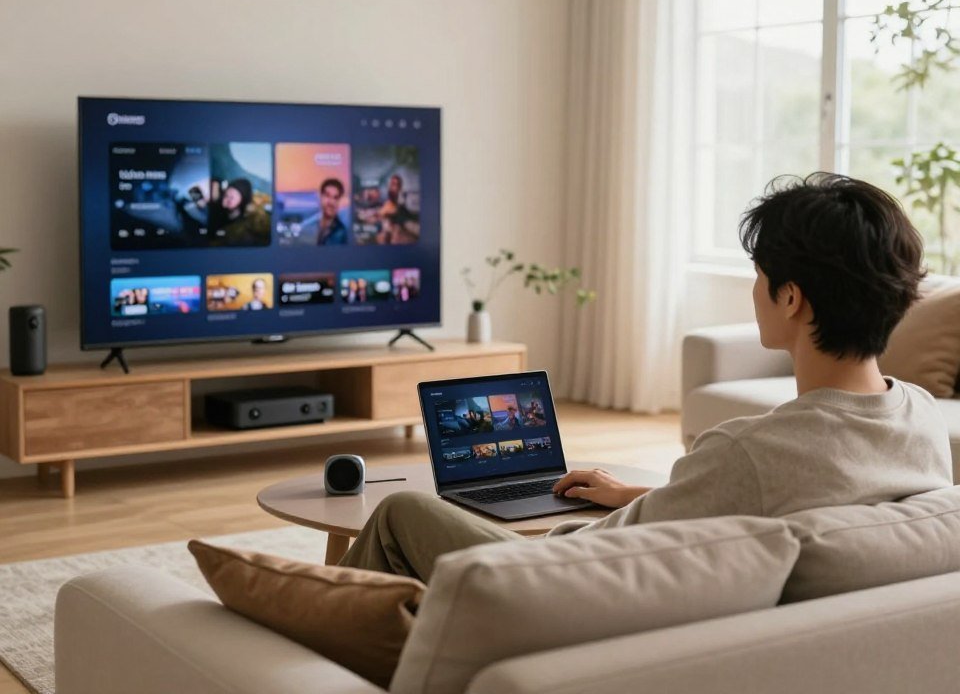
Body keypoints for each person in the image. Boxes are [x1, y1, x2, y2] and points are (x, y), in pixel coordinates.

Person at [339, 173, 953, 582]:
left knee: (400, 512)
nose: (754, 290)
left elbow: (591, 563)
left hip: (558, 588)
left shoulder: (748, 451)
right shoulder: (919, 417)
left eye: (760, 274)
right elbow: (779, 503)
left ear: (790, 298)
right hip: (664, 588)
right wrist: (635, 496)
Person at [317, 178, 348, 246]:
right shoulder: (311, 227)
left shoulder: (342, 233)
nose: (331, 202)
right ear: (320, 197)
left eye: (335, 198)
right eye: (327, 196)